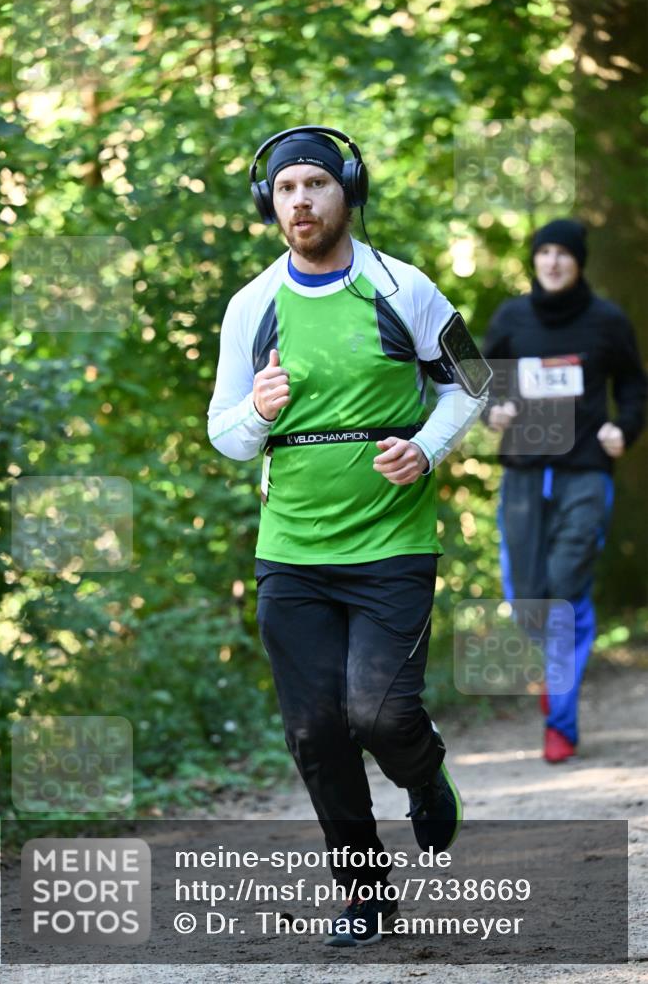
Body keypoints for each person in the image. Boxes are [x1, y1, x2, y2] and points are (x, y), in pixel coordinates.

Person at [208, 126, 490, 946]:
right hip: (290, 552)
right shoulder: (251, 305)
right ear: (270, 202)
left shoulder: (404, 287)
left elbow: (472, 382)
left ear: (347, 192)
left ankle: (425, 774)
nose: (300, 200)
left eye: (316, 185)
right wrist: (257, 412)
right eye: (286, 187)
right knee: (314, 733)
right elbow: (226, 435)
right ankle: (366, 896)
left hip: (391, 546)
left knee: (377, 713)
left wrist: (426, 445)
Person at [483, 218, 646, 763]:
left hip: (583, 470)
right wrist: (493, 408)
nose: (552, 262)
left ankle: (560, 718)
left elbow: (633, 384)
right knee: (527, 595)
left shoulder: (606, 321)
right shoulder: (512, 318)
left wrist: (623, 428)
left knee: (566, 590)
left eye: (563, 253)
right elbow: (482, 382)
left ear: (579, 261)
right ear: (534, 260)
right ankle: (556, 671)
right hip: (525, 471)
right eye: (543, 252)